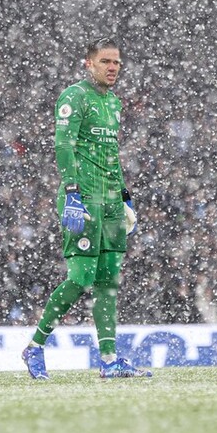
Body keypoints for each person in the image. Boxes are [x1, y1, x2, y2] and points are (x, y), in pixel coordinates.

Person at [22, 38, 151, 379]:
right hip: (83, 199)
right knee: (80, 279)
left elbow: (112, 155)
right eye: (106, 61)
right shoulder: (74, 96)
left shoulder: (114, 103)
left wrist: (125, 197)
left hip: (110, 202)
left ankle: (109, 361)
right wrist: (72, 191)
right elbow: (62, 144)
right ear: (89, 64)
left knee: (108, 282)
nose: (113, 67)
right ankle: (35, 346)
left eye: (117, 62)